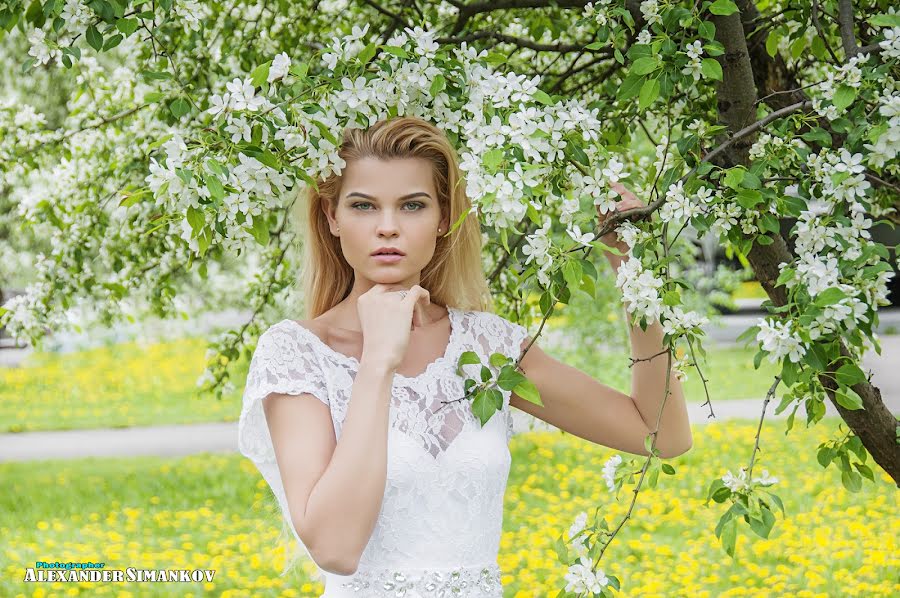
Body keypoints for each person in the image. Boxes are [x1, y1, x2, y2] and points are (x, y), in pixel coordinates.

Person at [237, 116, 693, 597]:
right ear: (333, 217)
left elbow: (659, 433)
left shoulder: (487, 347)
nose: (387, 227)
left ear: (443, 216)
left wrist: (632, 272)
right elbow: (335, 548)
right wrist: (378, 363)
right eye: (364, 206)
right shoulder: (296, 354)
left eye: (412, 205)